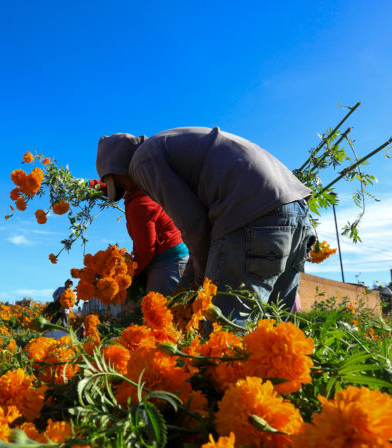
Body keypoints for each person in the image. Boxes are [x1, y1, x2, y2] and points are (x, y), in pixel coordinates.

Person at [95, 127, 315, 324]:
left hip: (250, 217)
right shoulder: (167, 144)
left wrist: (199, 281)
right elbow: (199, 231)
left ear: (118, 169)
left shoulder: (141, 162)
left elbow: (194, 227)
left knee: (224, 334)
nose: (128, 190)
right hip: (296, 211)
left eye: (121, 185)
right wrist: (189, 279)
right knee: (277, 329)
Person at [87, 179, 189, 296]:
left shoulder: (140, 203)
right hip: (173, 257)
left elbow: (146, 251)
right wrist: (89, 184)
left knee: (162, 311)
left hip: (168, 264)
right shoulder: (141, 187)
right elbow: (115, 187)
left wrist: (127, 273)